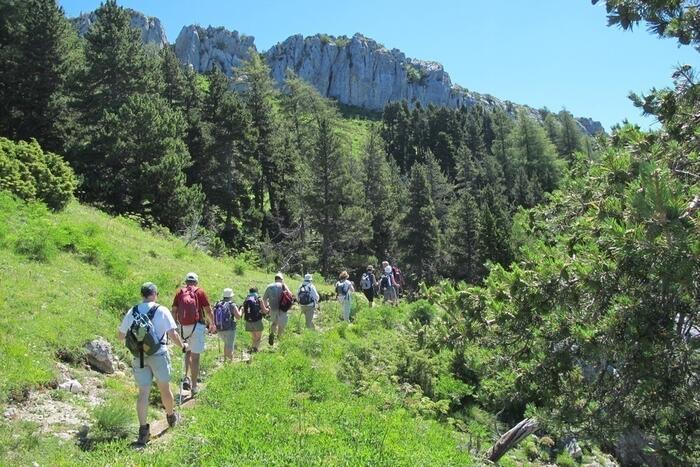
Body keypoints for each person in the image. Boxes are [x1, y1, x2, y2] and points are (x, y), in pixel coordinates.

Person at [118, 282, 188, 446]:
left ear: (142, 294)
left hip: (138, 357)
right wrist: (183, 346)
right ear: (155, 294)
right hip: (158, 354)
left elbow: (120, 336)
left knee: (143, 393)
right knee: (164, 388)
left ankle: (143, 431)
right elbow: (172, 333)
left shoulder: (133, 311)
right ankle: (171, 417)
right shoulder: (161, 310)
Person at [171, 272, 215, 396]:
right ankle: (194, 387)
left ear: (186, 281)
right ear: (196, 282)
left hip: (184, 326)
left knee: (187, 351)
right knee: (195, 357)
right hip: (198, 325)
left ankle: (186, 377)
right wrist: (212, 323)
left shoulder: (180, 292)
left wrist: (175, 325)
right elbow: (208, 310)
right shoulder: (200, 292)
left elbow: (174, 310)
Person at [213, 288, 241, 363]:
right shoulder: (232, 304)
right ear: (231, 296)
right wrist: (241, 310)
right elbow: (238, 317)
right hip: (230, 328)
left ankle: (225, 361)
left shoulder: (218, 303)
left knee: (226, 344)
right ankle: (229, 363)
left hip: (220, 328)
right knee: (230, 346)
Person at [263, 273, 290, 346]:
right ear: (281, 279)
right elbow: (290, 295)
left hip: (272, 308)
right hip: (283, 308)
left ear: (275, 279)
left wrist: (267, 307)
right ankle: (279, 338)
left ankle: (272, 334)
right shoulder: (283, 286)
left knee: (274, 323)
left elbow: (264, 299)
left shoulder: (269, 287)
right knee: (282, 325)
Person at [242, 287, 266, 352]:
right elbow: (264, 311)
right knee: (258, 337)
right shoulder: (259, 299)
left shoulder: (246, 299)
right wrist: (268, 310)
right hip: (257, 320)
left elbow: (243, 310)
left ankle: (252, 348)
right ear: (256, 291)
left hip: (248, 321)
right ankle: (255, 350)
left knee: (253, 337)